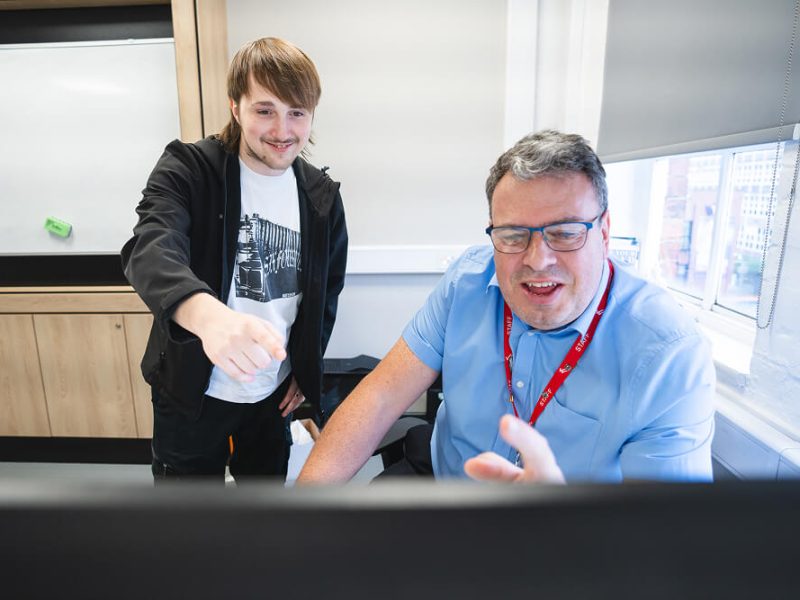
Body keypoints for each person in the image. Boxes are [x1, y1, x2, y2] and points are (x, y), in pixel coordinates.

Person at [298, 130, 714, 484]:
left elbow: (666, 541)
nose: (538, 259)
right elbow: (380, 397)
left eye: (565, 233)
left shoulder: (667, 353)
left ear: (605, 231)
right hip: (445, 493)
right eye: (514, 235)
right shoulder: (467, 282)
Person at [121, 37, 347, 483]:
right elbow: (150, 246)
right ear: (235, 106)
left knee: (260, 517)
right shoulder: (188, 168)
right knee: (189, 522)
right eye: (265, 110)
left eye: (296, 112)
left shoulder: (321, 197)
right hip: (193, 390)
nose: (283, 130)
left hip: (272, 394)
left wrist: (306, 365)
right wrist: (209, 318)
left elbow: (327, 292)